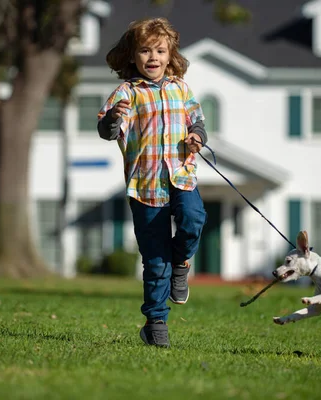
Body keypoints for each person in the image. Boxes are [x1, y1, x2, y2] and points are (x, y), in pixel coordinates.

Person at [97, 17, 208, 348]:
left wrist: (196, 137)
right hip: (144, 185)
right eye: (145, 51)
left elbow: (198, 121)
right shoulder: (127, 93)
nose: (153, 57)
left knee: (192, 218)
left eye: (160, 50)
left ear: (170, 53)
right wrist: (115, 119)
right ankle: (156, 323)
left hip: (181, 173)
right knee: (154, 259)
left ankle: (182, 262)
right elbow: (108, 129)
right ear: (133, 56)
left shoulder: (181, 88)